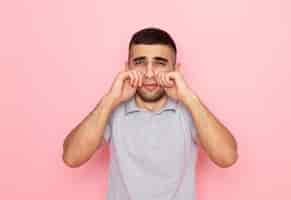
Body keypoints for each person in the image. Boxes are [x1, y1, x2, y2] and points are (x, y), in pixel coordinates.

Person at [62, 27, 238, 200]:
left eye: (160, 63)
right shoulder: (112, 109)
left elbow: (227, 157)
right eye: (139, 62)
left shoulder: (189, 111)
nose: (149, 73)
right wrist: (109, 99)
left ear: (176, 70)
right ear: (127, 67)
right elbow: (71, 157)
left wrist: (189, 98)